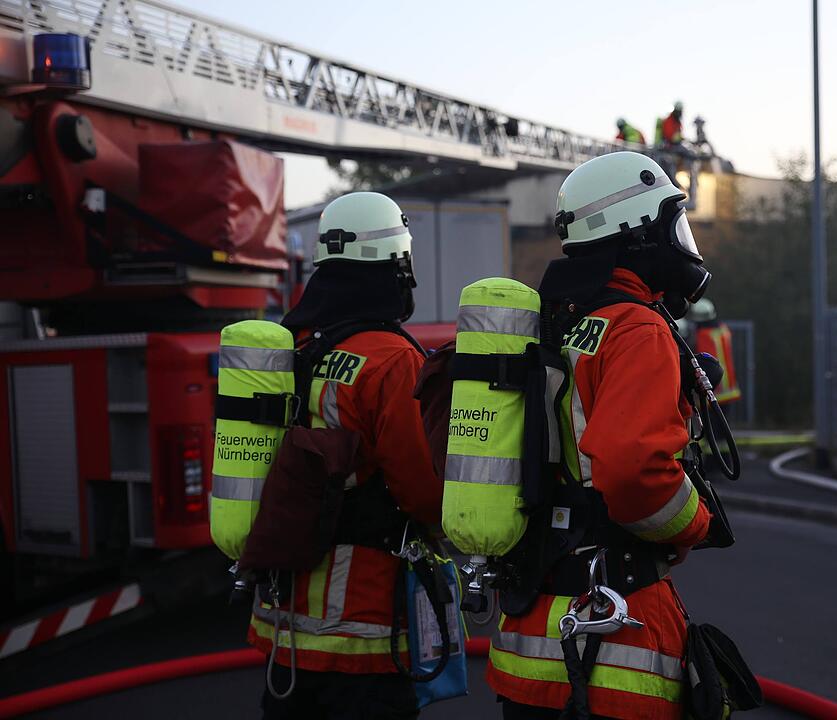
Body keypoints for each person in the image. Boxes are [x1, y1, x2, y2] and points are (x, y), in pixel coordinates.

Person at [486, 151, 714, 720]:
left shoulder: (550, 322)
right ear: (638, 234)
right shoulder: (634, 327)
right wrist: (696, 524)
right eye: (672, 225)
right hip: (616, 638)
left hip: (528, 635)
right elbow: (632, 472)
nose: (679, 242)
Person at [250, 192, 442, 720]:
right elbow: (421, 491)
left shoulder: (293, 345)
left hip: (284, 619)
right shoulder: (391, 359)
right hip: (359, 621)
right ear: (395, 265)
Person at [687, 298, 741, 404]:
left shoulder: (701, 336)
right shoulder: (723, 330)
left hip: (712, 390)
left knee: (712, 420)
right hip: (729, 388)